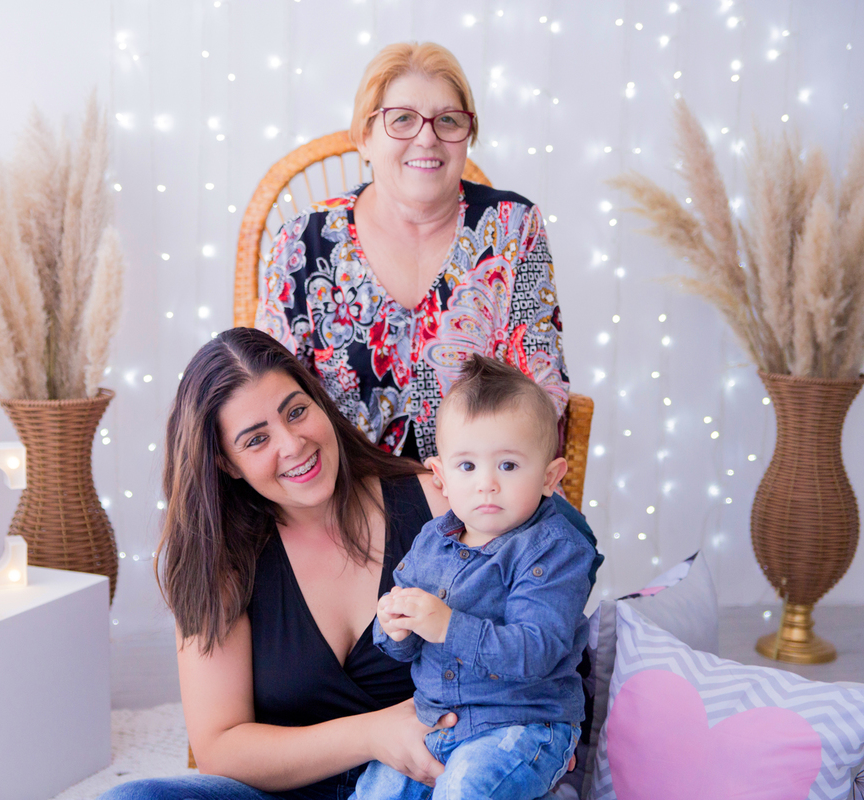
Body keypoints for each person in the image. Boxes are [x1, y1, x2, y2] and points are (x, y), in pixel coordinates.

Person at [103, 327, 457, 800]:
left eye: (296, 411)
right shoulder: (220, 561)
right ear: (226, 463)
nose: (291, 445)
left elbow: (531, 623)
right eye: (255, 440)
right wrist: (373, 734)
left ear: (318, 402)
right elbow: (220, 748)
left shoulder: (436, 502)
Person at [256, 41, 568, 465]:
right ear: (364, 138)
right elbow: (271, 400)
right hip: (344, 495)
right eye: (401, 119)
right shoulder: (301, 241)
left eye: (449, 120)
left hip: (485, 498)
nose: (427, 137)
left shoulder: (514, 226)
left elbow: (542, 390)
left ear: (467, 137)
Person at [350, 356, 595, 800]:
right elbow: (401, 650)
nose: (487, 484)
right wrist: (394, 626)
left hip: (525, 724)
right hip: (438, 720)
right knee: (375, 791)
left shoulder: (555, 550)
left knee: (468, 789)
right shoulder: (432, 540)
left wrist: (448, 626)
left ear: (549, 477)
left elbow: (536, 652)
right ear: (441, 477)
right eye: (467, 467)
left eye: (507, 466)